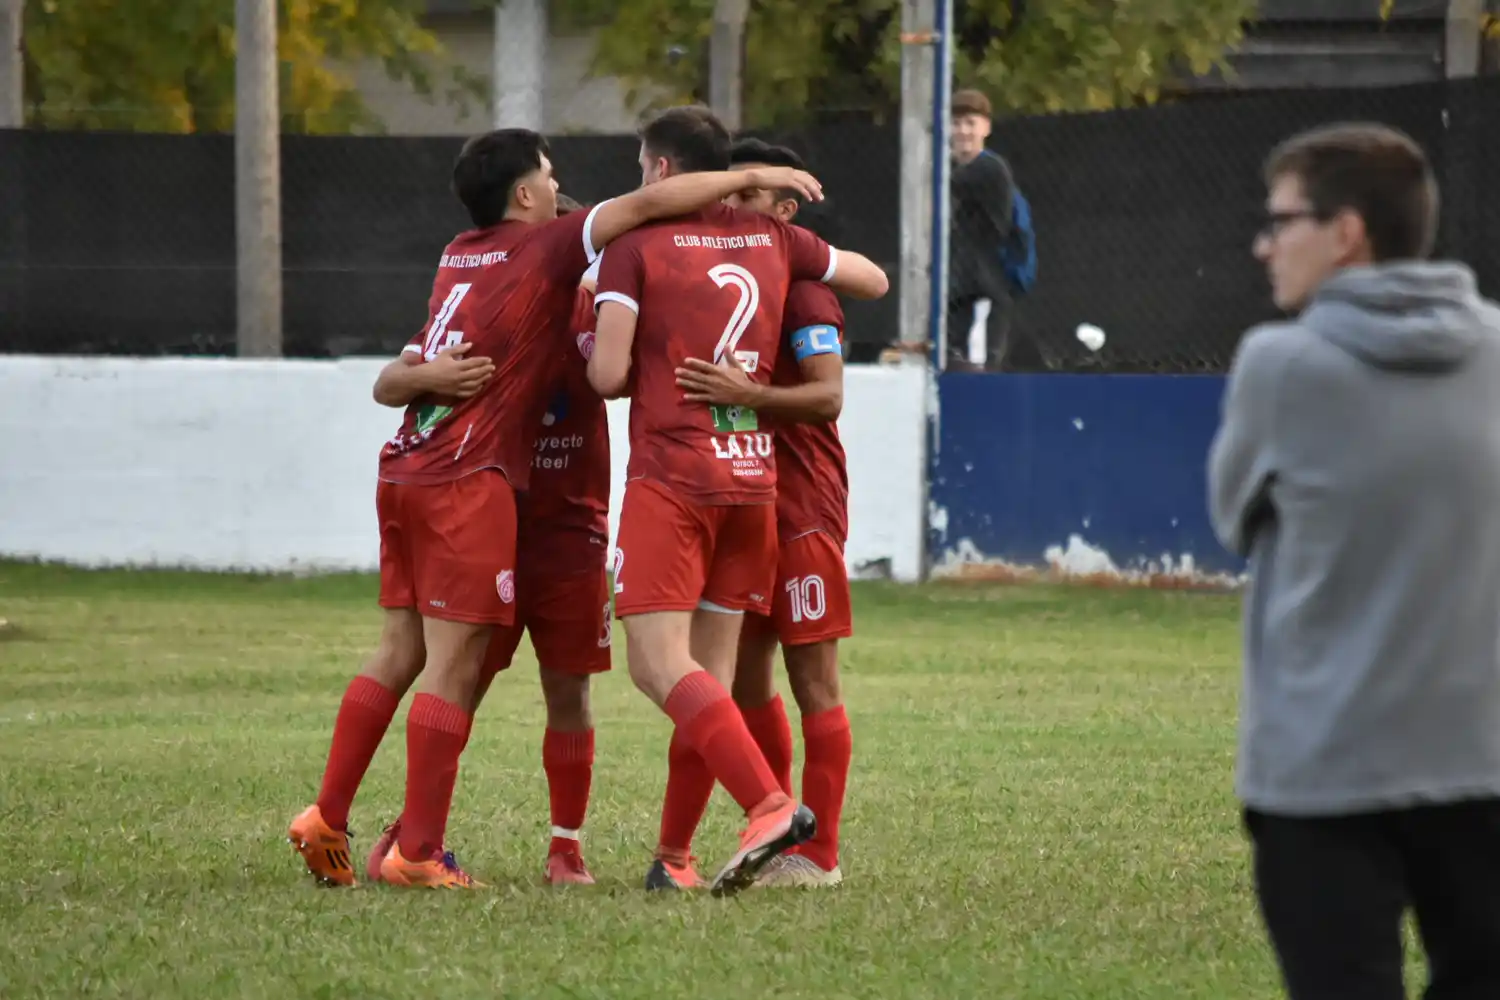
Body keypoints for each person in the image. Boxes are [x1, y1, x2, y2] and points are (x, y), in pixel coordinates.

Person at [287, 127, 828, 890]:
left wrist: (425, 375)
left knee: (409, 653)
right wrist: (756, 178)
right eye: (547, 172)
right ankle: (416, 850)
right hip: (467, 485)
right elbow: (648, 203)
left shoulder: (459, 258)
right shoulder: (543, 252)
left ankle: (333, 819)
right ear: (526, 196)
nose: (556, 181)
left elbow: (389, 382)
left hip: (417, 474)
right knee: (455, 666)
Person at [1208, 121, 1500, 999]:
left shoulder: (1280, 363)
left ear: (1347, 232)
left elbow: (1233, 518)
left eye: (1282, 220)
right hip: (1480, 759)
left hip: (1322, 770)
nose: (1265, 244)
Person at [587, 105, 889, 896]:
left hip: (749, 493)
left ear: (657, 170)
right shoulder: (780, 249)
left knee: (670, 669)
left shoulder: (665, 250)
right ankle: (677, 858)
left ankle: (790, 827)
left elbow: (609, 376)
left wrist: (743, 390)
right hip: (754, 487)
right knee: (725, 687)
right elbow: (872, 275)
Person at [358, 195, 611, 888]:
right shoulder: (487, 308)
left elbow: (611, 379)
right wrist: (422, 375)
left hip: (571, 527)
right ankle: (418, 833)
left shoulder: (596, 308)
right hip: (487, 520)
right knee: (458, 677)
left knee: (569, 690)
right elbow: (394, 377)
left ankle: (566, 850)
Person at [669, 137, 853, 889]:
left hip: (803, 506)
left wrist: (749, 397)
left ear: (783, 209)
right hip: (743, 498)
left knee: (815, 682)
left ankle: (823, 852)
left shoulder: (805, 290)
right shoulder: (726, 281)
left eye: (743, 195)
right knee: (744, 684)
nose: (726, 206)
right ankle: (780, 829)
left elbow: (828, 395)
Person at [946, 89, 1036, 372]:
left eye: (970, 123)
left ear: (986, 128)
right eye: (956, 123)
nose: (963, 130)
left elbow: (939, 182)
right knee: (955, 363)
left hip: (986, 290)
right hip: (963, 290)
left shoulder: (989, 169)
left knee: (979, 370)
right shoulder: (955, 169)